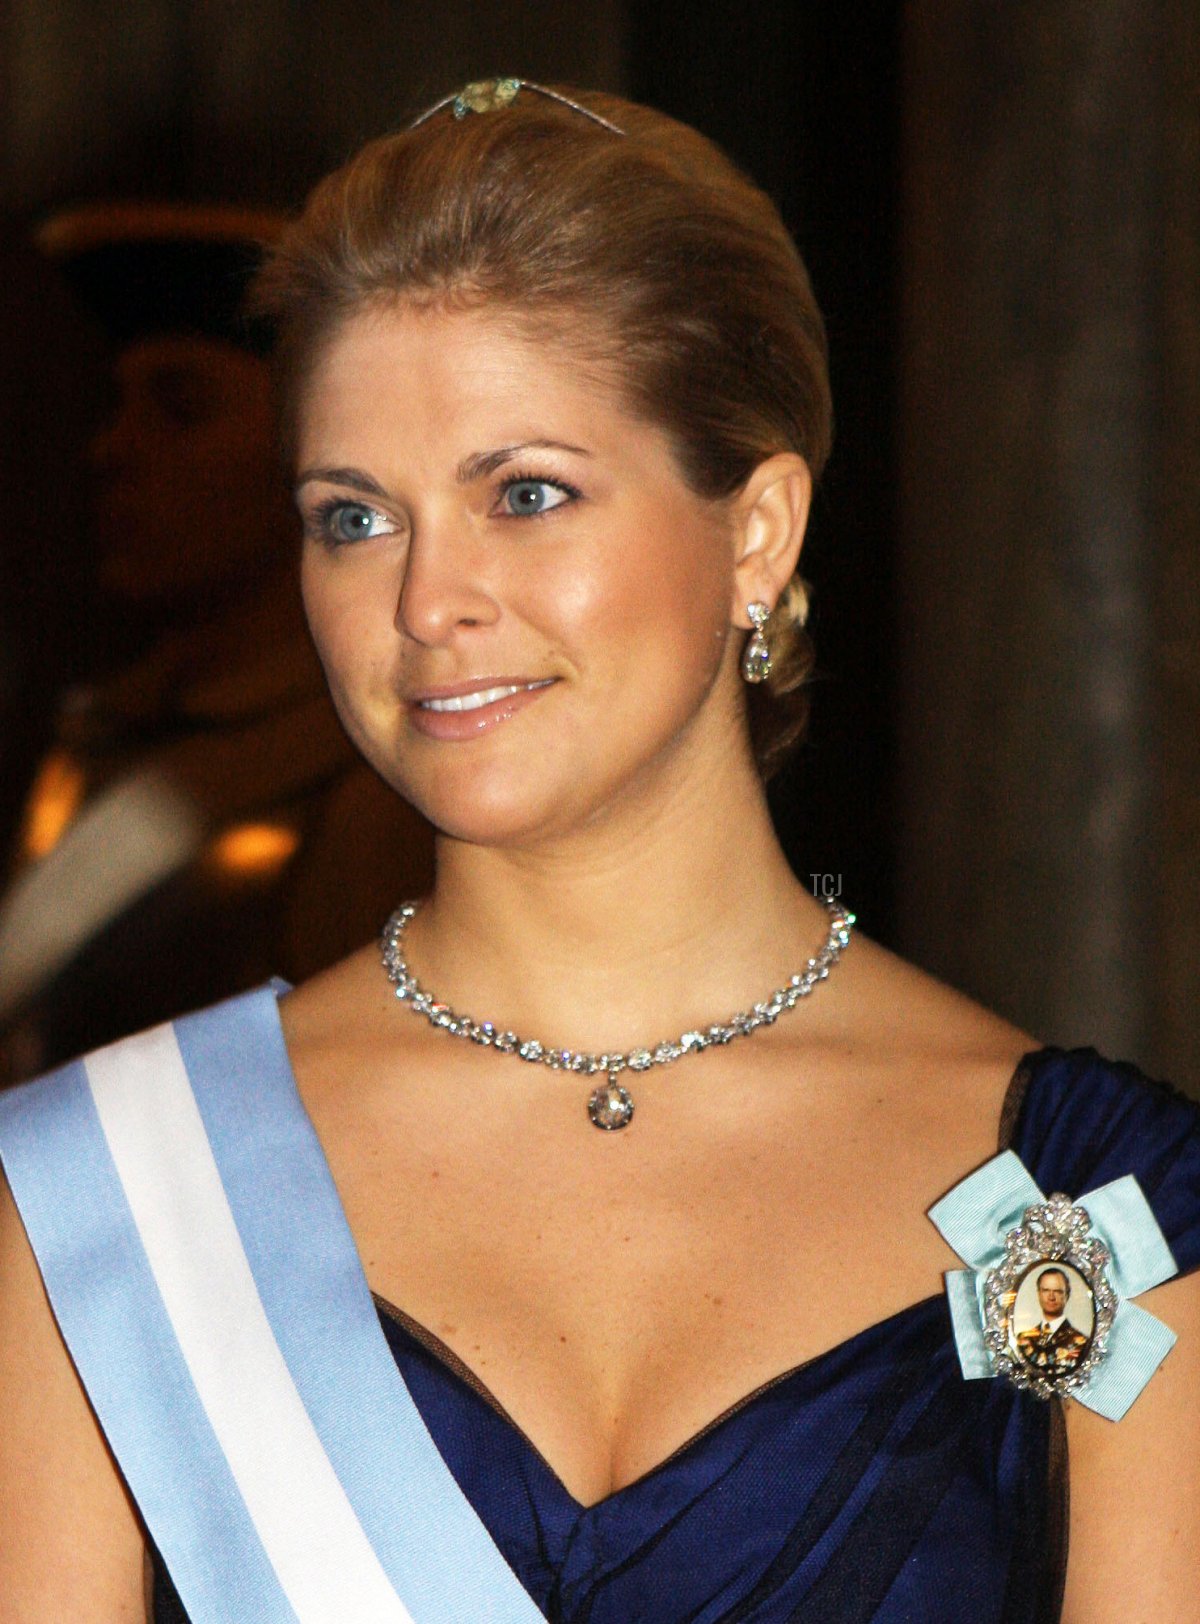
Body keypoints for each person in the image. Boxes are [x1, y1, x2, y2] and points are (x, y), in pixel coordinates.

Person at [1, 80, 1197, 1624]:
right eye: (353, 517)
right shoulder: (103, 1194)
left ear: (757, 532)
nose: (431, 600)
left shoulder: (1081, 1207)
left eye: (528, 493)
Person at [0, 202, 433, 1083]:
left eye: (182, 407)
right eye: (116, 406)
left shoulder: (374, 788)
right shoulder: (103, 731)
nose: (114, 451)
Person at [1016, 1269, 1090, 1372]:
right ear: (1038, 1294)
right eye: (1046, 1290)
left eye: (1058, 1291)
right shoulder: (1024, 1339)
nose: (1051, 1297)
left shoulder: (1080, 1342)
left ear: (1067, 1295)